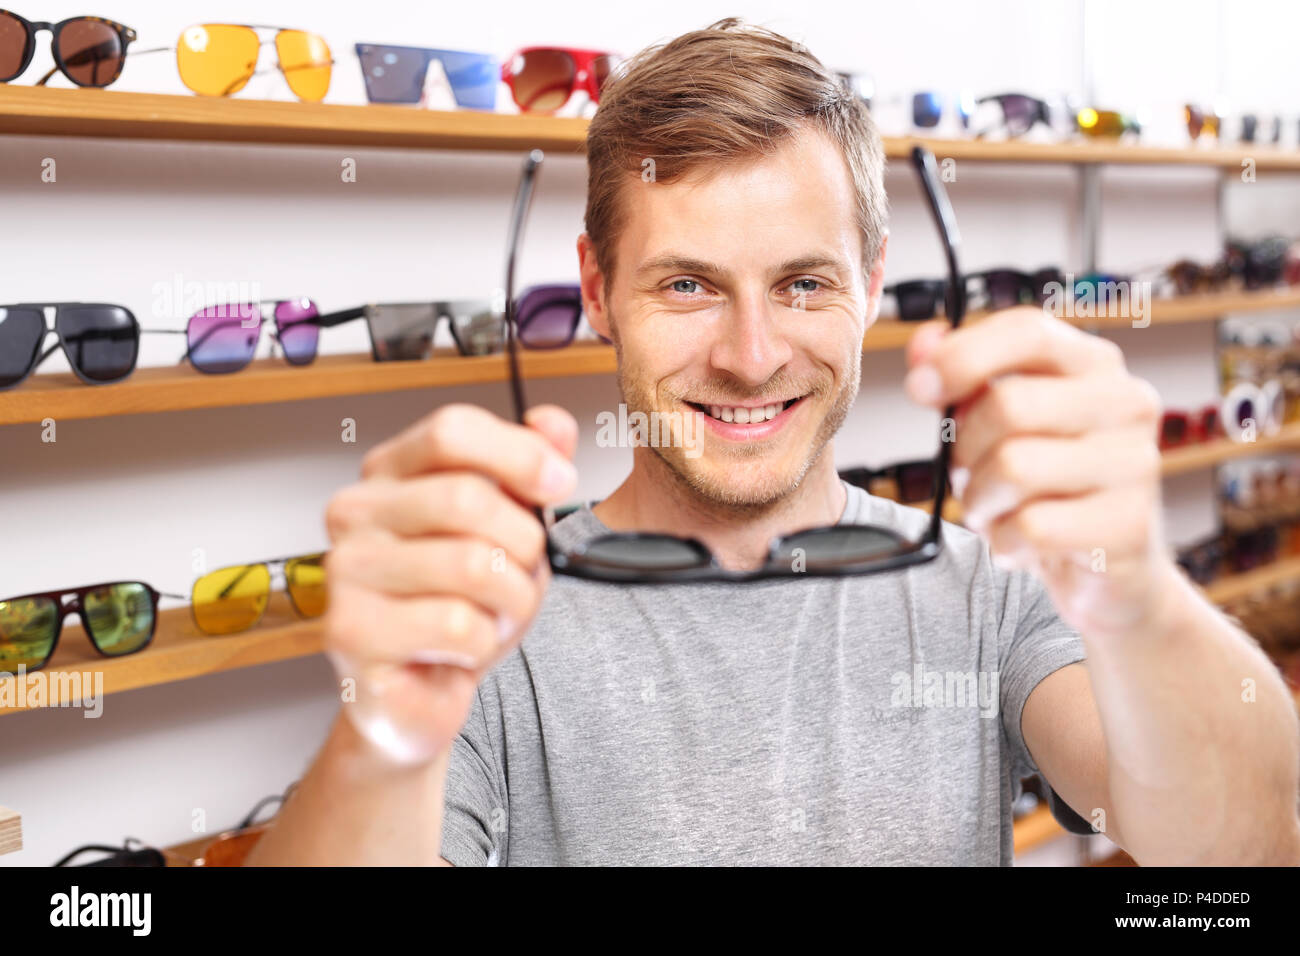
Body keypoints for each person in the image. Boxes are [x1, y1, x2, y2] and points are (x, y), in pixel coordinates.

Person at [247, 18, 1300, 866]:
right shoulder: (488, 620)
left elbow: (1248, 850)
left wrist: (1144, 590)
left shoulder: (989, 587)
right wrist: (381, 738)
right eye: (688, 284)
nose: (751, 357)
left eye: (803, 282)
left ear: (872, 283)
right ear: (596, 290)